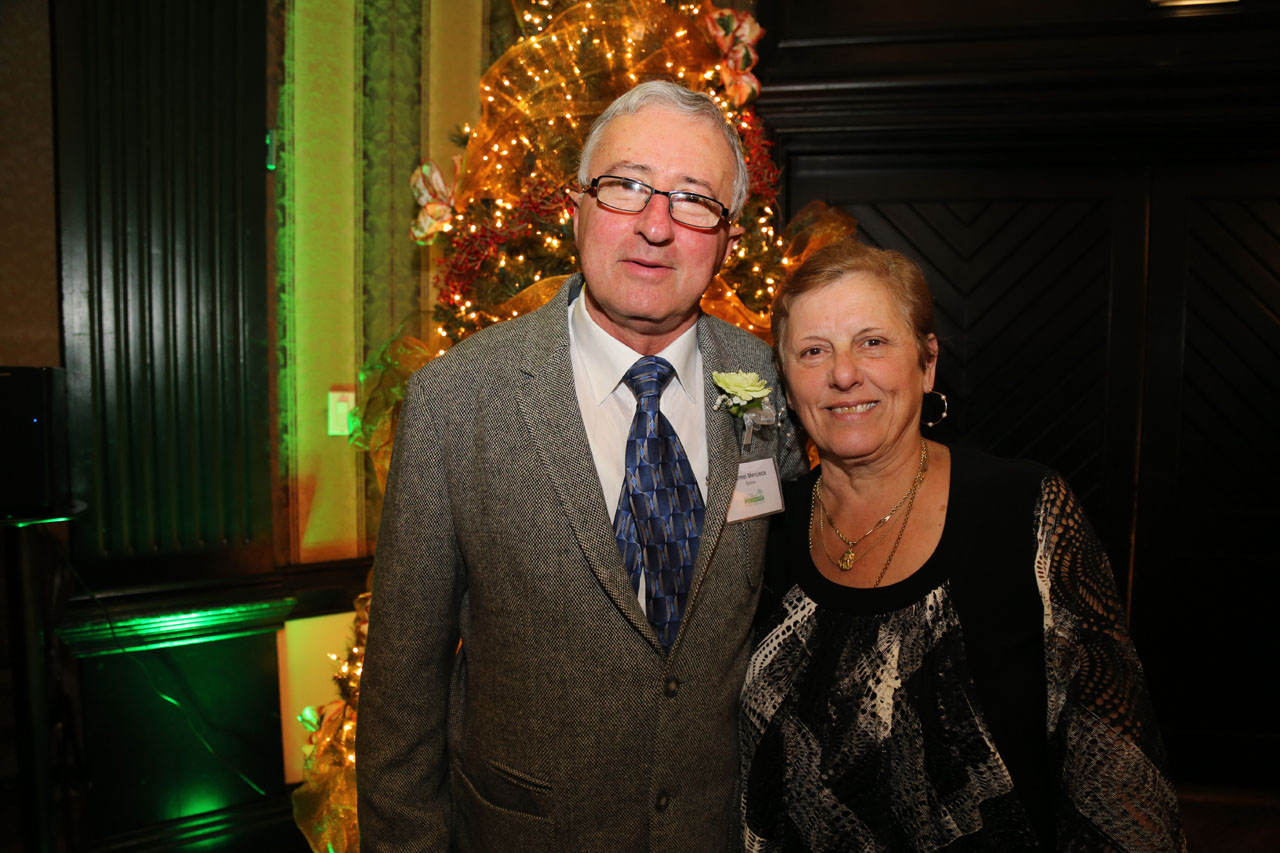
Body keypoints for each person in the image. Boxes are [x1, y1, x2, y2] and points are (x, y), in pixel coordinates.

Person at [356, 80, 806, 851]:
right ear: (577, 207)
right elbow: (403, 696)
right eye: (626, 186)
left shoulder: (770, 385)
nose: (655, 225)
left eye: (694, 199)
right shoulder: (454, 401)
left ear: (728, 238)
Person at [740, 239, 1185, 851]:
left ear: (926, 363)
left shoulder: (1023, 509)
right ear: (788, 386)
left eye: (873, 342)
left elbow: (1114, 765)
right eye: (814, 351)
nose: (844, 374)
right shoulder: (767, 530)